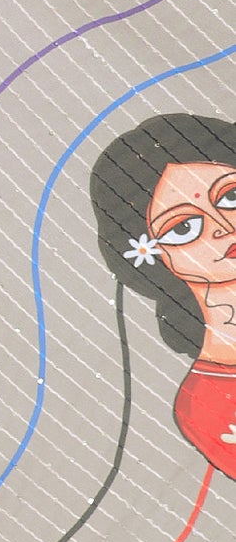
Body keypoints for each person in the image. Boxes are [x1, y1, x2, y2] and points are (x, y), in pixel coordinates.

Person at [90, 114, 236, 479]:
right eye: (184, 227)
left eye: (231, 197)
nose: (224, 227)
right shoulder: (209, 403)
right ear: (154, 256)